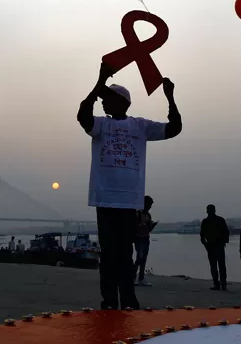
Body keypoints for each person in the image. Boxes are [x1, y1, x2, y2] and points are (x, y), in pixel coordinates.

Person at [77, 62, 181, 310]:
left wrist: (170, 98)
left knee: (124, 256)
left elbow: (174, 128)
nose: (103, 103)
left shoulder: (140, 126)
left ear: (123, 102)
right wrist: (99, 82)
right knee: (109, 255)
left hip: (129, 202)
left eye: (108, 98)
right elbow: (83, 115)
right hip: (105, 200)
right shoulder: (102, 125)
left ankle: (128, 301)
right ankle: (110, 302)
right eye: (103, 99)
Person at [200, 204, 229, 290]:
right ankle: (220, 284)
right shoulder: (213, 221)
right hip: (213, 246)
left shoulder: (209, 221)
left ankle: (220, 284)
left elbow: (226, 233)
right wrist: (206, 244)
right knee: (218, 266)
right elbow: (202, 236)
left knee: (218, 266)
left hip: (216, 246)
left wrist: (223, 242)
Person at [134, 195, 157, 286]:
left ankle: (141, 278)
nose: (150, 206)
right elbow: (134, 227)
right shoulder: (138, 214)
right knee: (139, 258)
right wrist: (143, 225)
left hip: (146, 238)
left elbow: (149, 229)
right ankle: (133, 277)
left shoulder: (148, 215)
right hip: (138, 238)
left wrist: (151, 226)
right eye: (149, 204)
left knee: (143, 258)